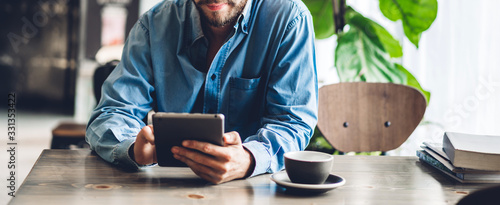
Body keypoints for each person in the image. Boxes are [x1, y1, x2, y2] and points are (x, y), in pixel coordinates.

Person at [86, 0, 318, 184]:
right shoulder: (154, 25)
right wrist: (132, 149)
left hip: (256, 188)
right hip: (167, 188)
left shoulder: (289, 19)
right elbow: (112, 112)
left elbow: (292, 121)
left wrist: (249, 157)